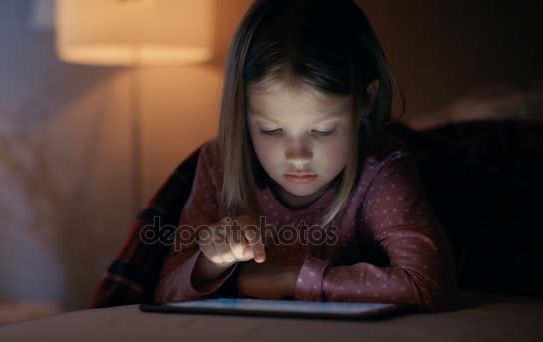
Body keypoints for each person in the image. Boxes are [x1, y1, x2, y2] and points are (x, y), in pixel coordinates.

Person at [153, 0, 457, 312]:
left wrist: (291, 278)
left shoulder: (381, 170)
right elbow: (167, 292)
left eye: (323, 131)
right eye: (271, 130)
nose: (297, 156)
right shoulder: (219, 163)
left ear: (365, 102)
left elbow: (427, 284)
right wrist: (211, 261)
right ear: (242, 112)